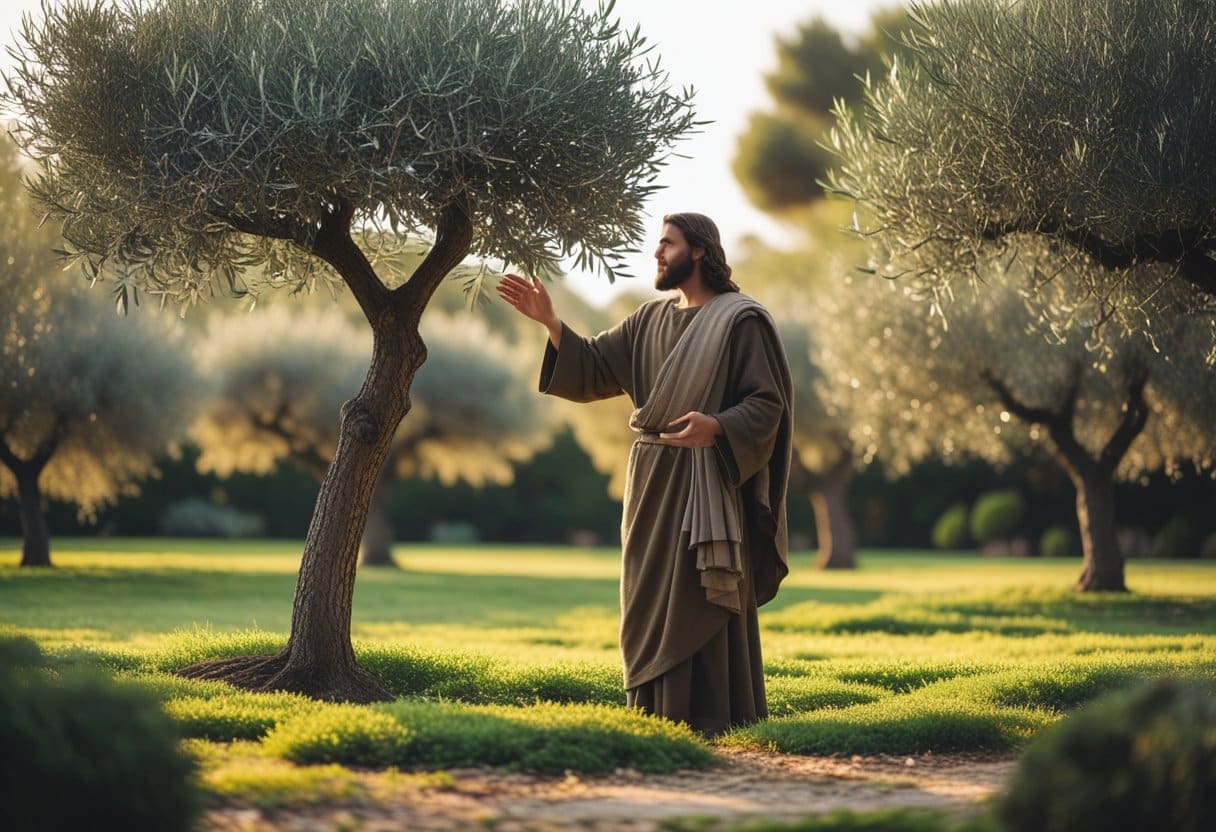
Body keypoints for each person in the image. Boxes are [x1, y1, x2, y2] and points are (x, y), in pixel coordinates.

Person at [496, 212, 792, 735]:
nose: (657, 253)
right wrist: (551, 323)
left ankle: (712, 716)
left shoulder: (740, 320)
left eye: (667, 244)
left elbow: (768, 405)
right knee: (645, 600)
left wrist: (717, 427)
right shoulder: (647, 320)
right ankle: (654, 713)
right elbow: (592, 366)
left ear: (698, 251)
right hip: (650, 485)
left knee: (698, 592)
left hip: (706, 481)